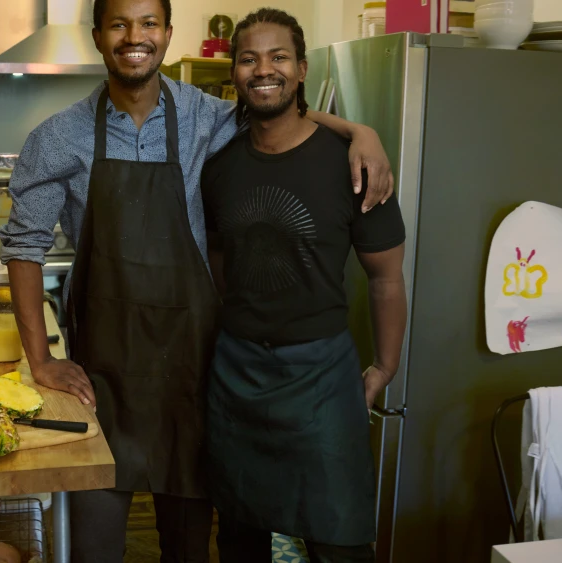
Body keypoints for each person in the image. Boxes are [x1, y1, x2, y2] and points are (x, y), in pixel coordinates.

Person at [0, 0, 396, 560]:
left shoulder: (209, 116)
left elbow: (282, 111)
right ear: (97, 35)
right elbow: (23, 249)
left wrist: (361, 131)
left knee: (188, 548)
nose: (134, 37)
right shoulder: (58, 137)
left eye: (148, 23)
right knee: (94, 545)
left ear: (165, 33)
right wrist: (40, 361)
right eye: (119, 24)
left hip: (194, 372)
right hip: (103, 378)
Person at [200, 8, 408, 563]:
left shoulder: (354, 163)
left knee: (338, 542)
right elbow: (221, 256)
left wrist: (384, 368)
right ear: (235, 73)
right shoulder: (219, 168)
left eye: (278, 56)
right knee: (241, 539)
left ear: (300, 70)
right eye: (249, 58)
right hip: (237, 376)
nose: (262, 69)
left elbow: (386, 278)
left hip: (321, 377)